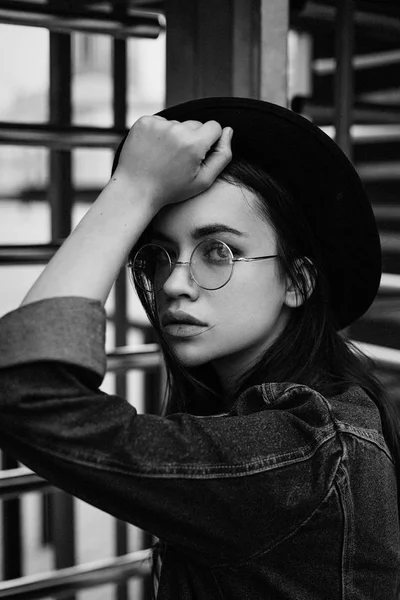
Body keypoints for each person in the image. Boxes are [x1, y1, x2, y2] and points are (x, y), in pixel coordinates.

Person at [0, 96, 399, 599]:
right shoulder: (285, 419)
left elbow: (25, 394)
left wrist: (134, 189)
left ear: (297, 282)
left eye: (219, 251)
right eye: (164, 255)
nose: (172, 285)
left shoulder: (300, 450)